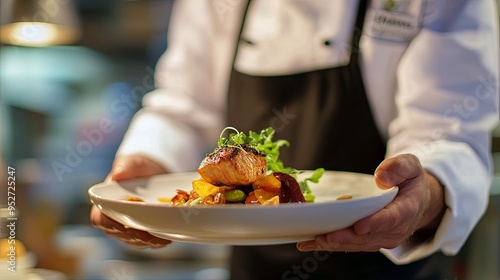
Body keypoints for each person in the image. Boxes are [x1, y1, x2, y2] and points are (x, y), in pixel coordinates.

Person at [91, 0, 499, 279]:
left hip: (383, 270)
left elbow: (448, 132)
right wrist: (144, 167)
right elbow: (184, 104)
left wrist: (422, 193)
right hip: (249, 268)